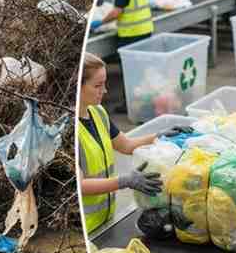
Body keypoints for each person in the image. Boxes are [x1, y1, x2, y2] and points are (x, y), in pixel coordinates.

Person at [77, 53, 190, 234]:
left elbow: (126, 145)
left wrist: (159, 137)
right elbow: (79, 185)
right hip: (84, 227)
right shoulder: (70, 131)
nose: (104, 90)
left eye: (104, 83)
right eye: (97, 85)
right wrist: (125, 181)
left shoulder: (98, 113)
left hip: (106, 220)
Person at [88, 0, 154, 112]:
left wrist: (99, 22)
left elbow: (117, 12)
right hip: (146, 31)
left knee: (130, 71)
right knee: (142, 70)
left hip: (131, 35)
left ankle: (129, 105)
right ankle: (145, 101)